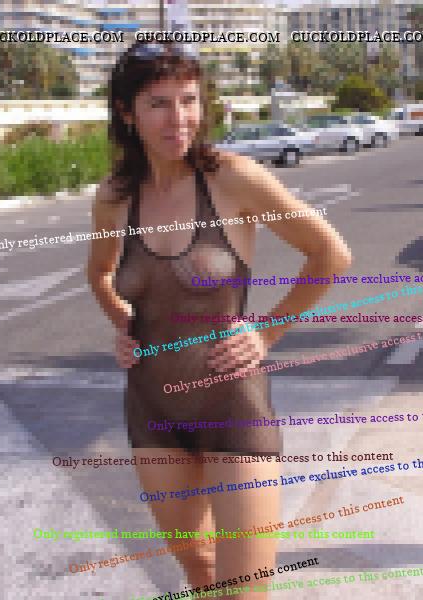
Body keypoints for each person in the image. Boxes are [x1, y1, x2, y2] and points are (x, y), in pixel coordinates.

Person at [87, 41, 352, 598]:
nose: (178, 118)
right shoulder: (115, 197)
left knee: (245, 589)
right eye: (159, 103)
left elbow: (330, 254)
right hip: (152, 409)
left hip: (232, 404)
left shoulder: (231, 178)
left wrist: (268, 332)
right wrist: (122, 324)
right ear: (127, 112)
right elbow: (101, 274)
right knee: (198, 568)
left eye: (189, 100)